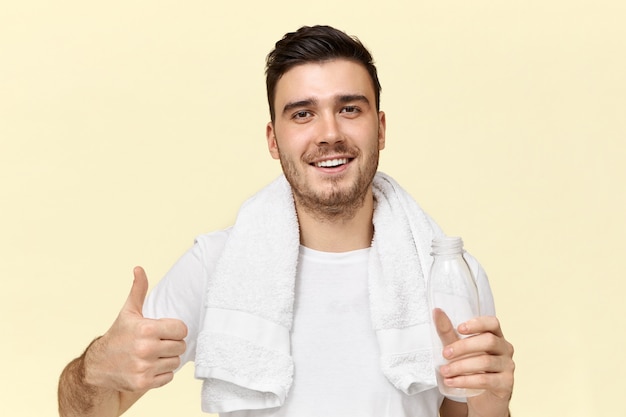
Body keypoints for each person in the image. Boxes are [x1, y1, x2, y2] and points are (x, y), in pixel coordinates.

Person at [58, 25, 514, 417]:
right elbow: (82, 407)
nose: (329, 133)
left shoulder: (448, 273)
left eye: (349, 109)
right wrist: (95, 367)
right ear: (274, 140)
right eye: (303, 114)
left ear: (381, 127)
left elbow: (467, 410)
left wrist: (493, 400)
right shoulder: (217, 266)